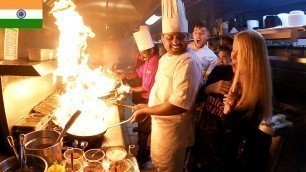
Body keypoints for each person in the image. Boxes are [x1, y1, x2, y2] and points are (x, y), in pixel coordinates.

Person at [130, 0, 202, 171]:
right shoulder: (165, 58)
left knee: (169, 167)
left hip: (174, 133)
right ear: (162, 39)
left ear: (188, 37)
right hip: (161, 128)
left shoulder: (188, 62)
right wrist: (148, 105)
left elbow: (179, 105)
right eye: (170, 37)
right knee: (158, 164)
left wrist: (146, 111)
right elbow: (164, 92)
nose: (175, 42)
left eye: (180, 37)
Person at [187, 30, 273, 172]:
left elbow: (235, 135)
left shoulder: (256, 97)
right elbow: (197, 98)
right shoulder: (221, 72)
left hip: (222, 163)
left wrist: (229, 110)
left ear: (253, 58)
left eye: (240, 53)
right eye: (234, 50)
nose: (233, 56)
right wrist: (209, 88)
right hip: (199, 149)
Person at [117, 27, 159, 168]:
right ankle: (142, 151)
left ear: (152, 50)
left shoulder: (154, 63)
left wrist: (129, 89)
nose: (141, 55)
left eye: (144, 52)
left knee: (144, 128)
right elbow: (138, 73)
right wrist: (124, 75)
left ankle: (142, 156)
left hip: (150, 100)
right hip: (145, 98)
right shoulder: (148, 60)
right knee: (141, 124)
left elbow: (147, 87)